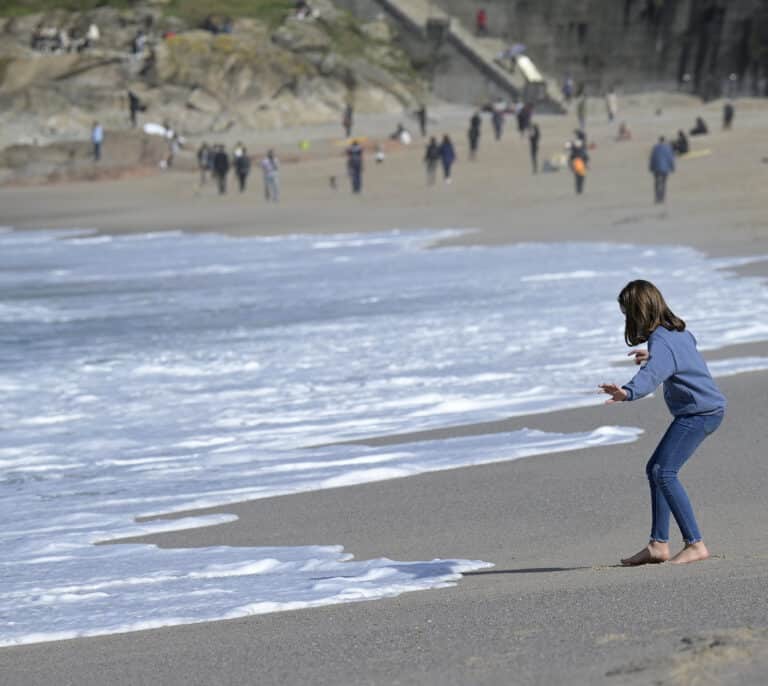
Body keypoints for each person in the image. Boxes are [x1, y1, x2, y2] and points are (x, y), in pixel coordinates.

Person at [600, 280, 726, 566]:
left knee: (664, 471)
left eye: (627, 314)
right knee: (656, 469)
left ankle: (695, 543)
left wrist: (627, 392)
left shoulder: (661, 341)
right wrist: (653, 357)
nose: (627, 320)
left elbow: (652, 377)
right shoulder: (679, 332)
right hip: (706, 409)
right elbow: (680, 359)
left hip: (699, 413)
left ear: (638, 312)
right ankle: (658, 544)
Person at [649, 136, 675, 204]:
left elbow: (652, 158)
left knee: (657, 183)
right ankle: (662, 197)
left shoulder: (655, 148)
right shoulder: (668, 148)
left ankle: (657, 197)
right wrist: (672, 167)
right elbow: (670, 158)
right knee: (663, 183)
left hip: (656, 168)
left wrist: (651, 167)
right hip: (665, 168)